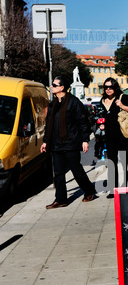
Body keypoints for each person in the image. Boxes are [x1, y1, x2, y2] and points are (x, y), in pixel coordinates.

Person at [40, 75, 95, 208]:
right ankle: (61, 199)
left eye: (54, 85)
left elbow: (82, 122)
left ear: (62, 87)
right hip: (56, 144)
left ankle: (89, 191)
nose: (52, 87)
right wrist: (45, 141)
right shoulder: (53, 104)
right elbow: (49, 124)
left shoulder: (73, 102)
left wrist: (85, 140)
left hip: (71, 142)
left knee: (76, 170)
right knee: (58, 173)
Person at [98, 77, 128, 198]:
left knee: (125, 161)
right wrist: (102, 124)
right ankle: (113, 190)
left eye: (110, 87)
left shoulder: (123, 98)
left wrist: (122, 106)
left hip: (123, 135)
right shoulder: (103, 100)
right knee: (111, 162)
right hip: (109, 136)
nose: (108, 89)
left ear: (115, 87)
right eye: (106, 87)